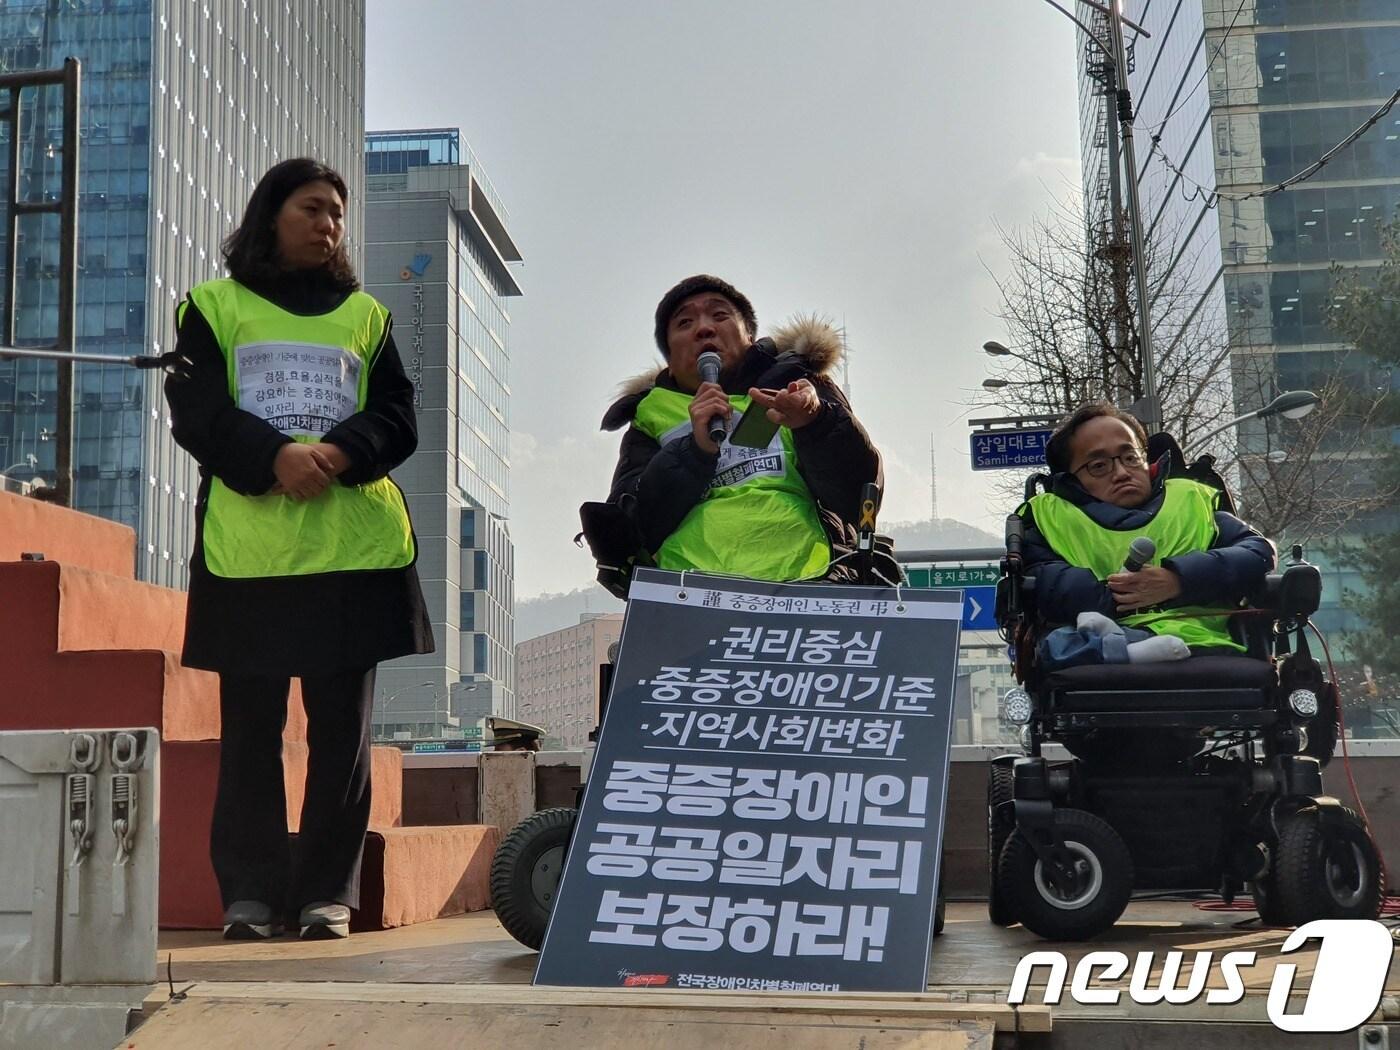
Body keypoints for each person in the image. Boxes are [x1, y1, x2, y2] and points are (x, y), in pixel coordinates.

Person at [165, 158, 433, 941]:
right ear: (270, 214)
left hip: (353, 552)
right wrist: (275, 455)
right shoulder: (212, 307)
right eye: (313, 208)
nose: (329, 225)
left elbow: (398, 415)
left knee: (341, 737)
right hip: (251, 553)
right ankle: (247, 893)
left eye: (338, 214)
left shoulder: (366, 317)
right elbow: (196, 407)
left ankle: (326, 894)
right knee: (250, 730)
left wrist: (339, 452)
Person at [600, 274, 884, 583]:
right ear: (670, 358)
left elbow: (861, 501)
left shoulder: (801, 385)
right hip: (689, 603)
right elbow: (630, 530)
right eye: (684, 323)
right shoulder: (649, 415)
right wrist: (694, 451)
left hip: (814, 588)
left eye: (720, 315)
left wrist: (814, 422)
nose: (704, 328)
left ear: (749, 335)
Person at [1020, 401, 1275, 656]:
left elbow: (1257, 551)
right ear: (1070, 481)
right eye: (1099, 466)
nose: (1121, 473)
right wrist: (1126, 596)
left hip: (1206, 646)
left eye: (1131, 457)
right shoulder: (1048, 520)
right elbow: (1050, 583)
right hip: (1093, 651)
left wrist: (1178, 580)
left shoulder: (1193, 502)